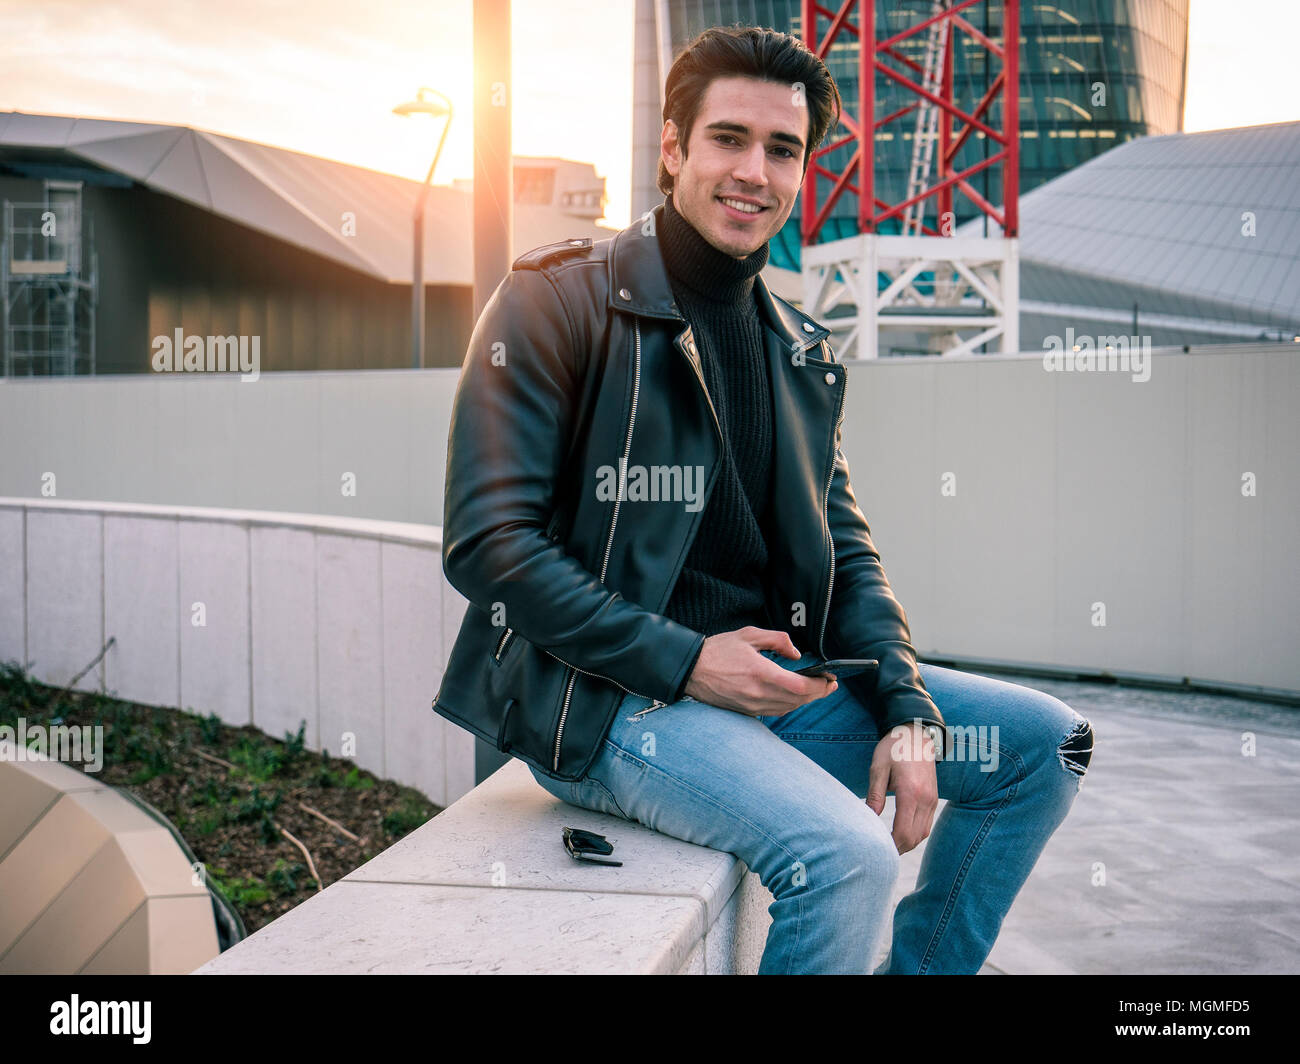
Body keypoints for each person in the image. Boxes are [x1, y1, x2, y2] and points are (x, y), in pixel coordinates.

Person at [434, 24, 1094, 974]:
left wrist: (906, 704)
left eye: (782, 149)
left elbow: (848, 553)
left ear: (802, 171)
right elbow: (489, 546)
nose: (754, 170)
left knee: (1048, 748)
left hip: (779, 689)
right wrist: (686, 659)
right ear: (673, 149)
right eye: (728, 139)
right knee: (848, 858)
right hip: (606, 701)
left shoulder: (800, 349)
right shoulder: (558, 301)